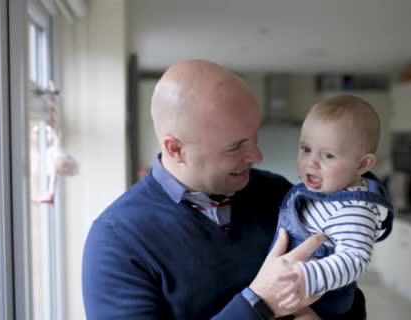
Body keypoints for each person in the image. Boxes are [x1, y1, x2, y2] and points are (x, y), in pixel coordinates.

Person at [82, 59, 367, 319]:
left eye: (255, 136)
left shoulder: (283, 196)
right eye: (236, 146)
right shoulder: (117, 241)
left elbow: (348, 301)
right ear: (176, 149)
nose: (257, 155)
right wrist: (259, 303)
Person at [272, 95, 394, 319]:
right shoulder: (319, 193)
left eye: (327, 155)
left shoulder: (355, 209)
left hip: (320, 301)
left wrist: (309, 277)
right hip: (292, 288)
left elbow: (354, 259)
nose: (311, 162)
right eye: (306, 149)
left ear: (362, 164)